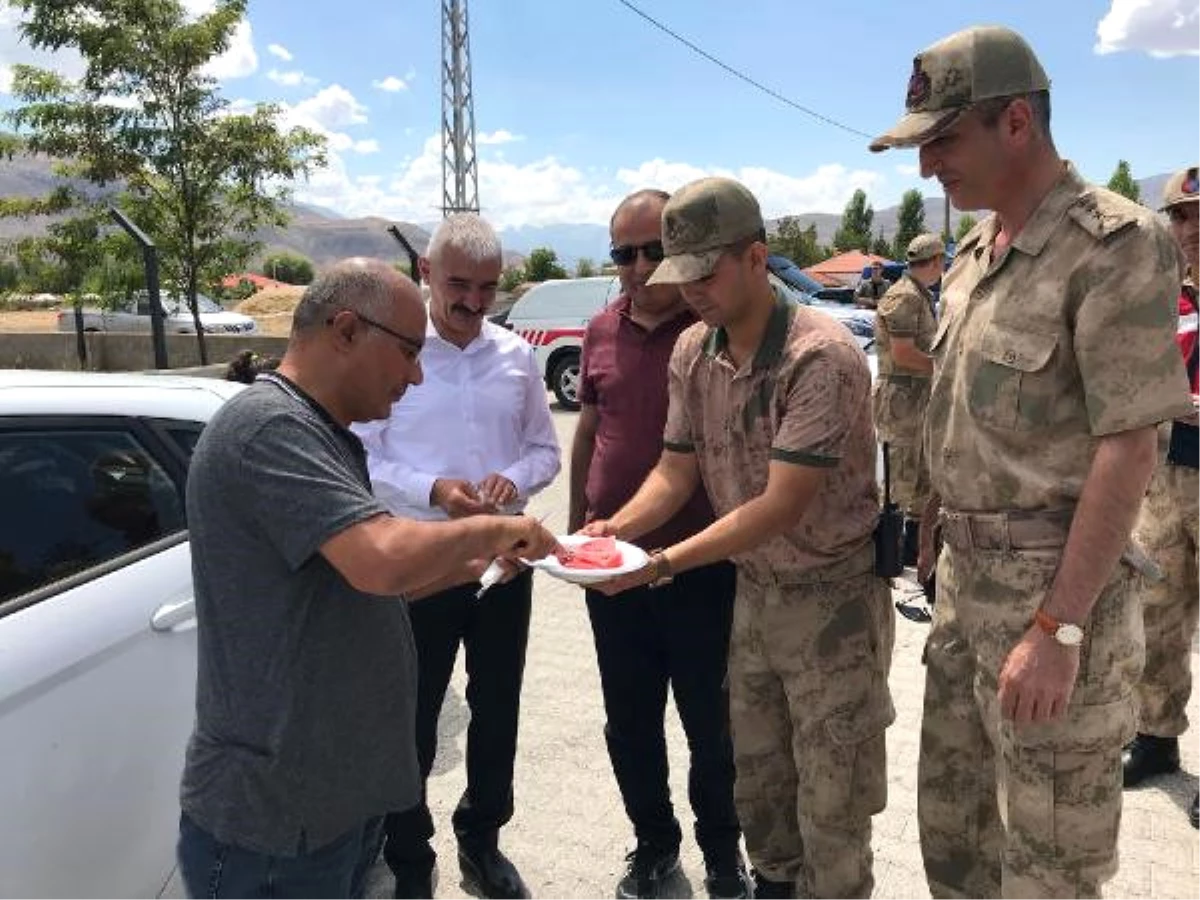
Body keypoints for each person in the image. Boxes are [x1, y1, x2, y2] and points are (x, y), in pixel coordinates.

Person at [870, 25, 1193, 898]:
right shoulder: (977, 255)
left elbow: (1130, 447)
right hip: (965, 602)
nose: (928, 167)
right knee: (957, 843)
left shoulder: (1115, 246)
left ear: (1016, 121)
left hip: (1053, 605)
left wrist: (1059, 629)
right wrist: (935, 548)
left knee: (1049, 872)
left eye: (943, 140)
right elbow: (959, 428)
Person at [177, 258, 557, 900]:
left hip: (331, 814)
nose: (415, 375)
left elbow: (360, 586)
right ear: (347, 330)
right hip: (275, 829)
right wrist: (497, 530)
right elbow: (379, 556)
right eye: (409, 353)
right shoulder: (272, 429)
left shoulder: (326, 435)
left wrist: (472, 566)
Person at [586, 176, 895, 900]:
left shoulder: (820, 356)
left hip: (833, 608)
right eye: (677, 273)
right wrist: (613, 528)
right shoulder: (694, 350)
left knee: (834, 804)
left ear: (757, 258)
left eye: (705, 271)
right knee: (760, 787)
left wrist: (658, 563)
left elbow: (779, 506)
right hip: (753, 600)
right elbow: (673, 471)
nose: (689, 290)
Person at [352, 215, 560, 900]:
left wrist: (514, 481)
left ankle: (482, 842)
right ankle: (410, 855)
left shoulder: (516, 356)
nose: (474, 302)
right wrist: (434, 490)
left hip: (502, 562)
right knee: (410, 716)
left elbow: (545, 450)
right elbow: (365, 456)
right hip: (420, 565)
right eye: (460, 286)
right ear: (427, 276)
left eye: (489, 288)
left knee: (497, 705)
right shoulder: (398, 356)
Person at [568, 189, 745, 900]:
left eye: (653, 250)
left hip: (700, 565)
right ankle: (653, 844)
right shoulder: (599, 330)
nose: (638, 266)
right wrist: (582, 517)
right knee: (630, 721)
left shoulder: (709, 330)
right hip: (614, 571)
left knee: (713, 724)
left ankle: (724, 854)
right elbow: (588, 428)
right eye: (623, 252)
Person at [1122, 165, 1200, 830]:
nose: (1190, 229)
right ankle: (1155, 735)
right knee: (1157, 616)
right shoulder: (1165, 297)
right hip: (1168, 478)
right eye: (1179, 217)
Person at [873, 233, 943, 568]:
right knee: (898, 478)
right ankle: (887, 558)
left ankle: (911, 552)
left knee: (921, 477)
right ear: (932, 262)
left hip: (919, 396)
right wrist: (943, 367)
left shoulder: (919, 294)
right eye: (941, 261)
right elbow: (902, 354)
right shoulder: (904, 296)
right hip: (900, 398)